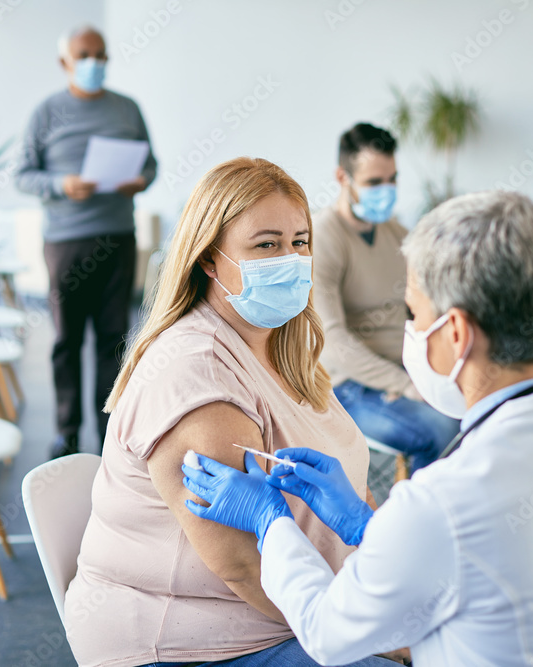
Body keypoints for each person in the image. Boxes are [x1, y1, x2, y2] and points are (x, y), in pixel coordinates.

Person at [183, 191, 533, 666]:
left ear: (457, 334)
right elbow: (484, 572)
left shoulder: (444, 502)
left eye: (414, 313)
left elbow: (327, 632)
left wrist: (272, 524)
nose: (412, 332)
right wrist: (365, 526)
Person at [62, 157, 398, 667]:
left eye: (300, 242)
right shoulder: (196, 373)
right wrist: (371, 632)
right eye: (266, 245)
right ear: (210, 261)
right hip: (189, 643)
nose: (290, 258)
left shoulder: (285, 347)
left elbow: (355, 483)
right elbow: (243, 565)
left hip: (293, 609)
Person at [15, 24, 157, 458]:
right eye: (84, 55)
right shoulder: (45, 113)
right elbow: (22, 174)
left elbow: (151, 165)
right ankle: (67, 431)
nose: (94, 63)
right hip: (67, 241)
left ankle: (110, 429)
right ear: (65, 63)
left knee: (114, 337)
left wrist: (139, 181)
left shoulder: (128, 109)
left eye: (101, 55)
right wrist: (62, 185)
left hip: (117, 237)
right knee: (67, 340)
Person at [313, 122, 458, 472]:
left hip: (405, 370)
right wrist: (405, 385)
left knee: (476, 414)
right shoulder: (320, 238)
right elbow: (334, 342)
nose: (387, 190)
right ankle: (413, 523)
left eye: (392, 179)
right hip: (347, 386)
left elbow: (430, 311)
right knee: (439, 430)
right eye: (374, 182)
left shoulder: (399, 235)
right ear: (342, 177)